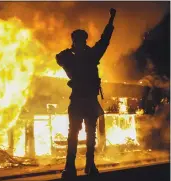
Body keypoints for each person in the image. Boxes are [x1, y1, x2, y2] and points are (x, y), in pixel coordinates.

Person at [56, 8, 116, 179]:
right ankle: (70, 166)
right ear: (74, 42)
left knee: (90, 134)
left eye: (82, 40)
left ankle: (90, 165)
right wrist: (71, 53)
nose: (80, 43)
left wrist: (111, 21)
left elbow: (104, 41)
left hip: (89, 100)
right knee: (73, 133)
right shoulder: (70, 56)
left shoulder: (91, 55)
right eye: (77, 41)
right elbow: (59, 58)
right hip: (78, 100)